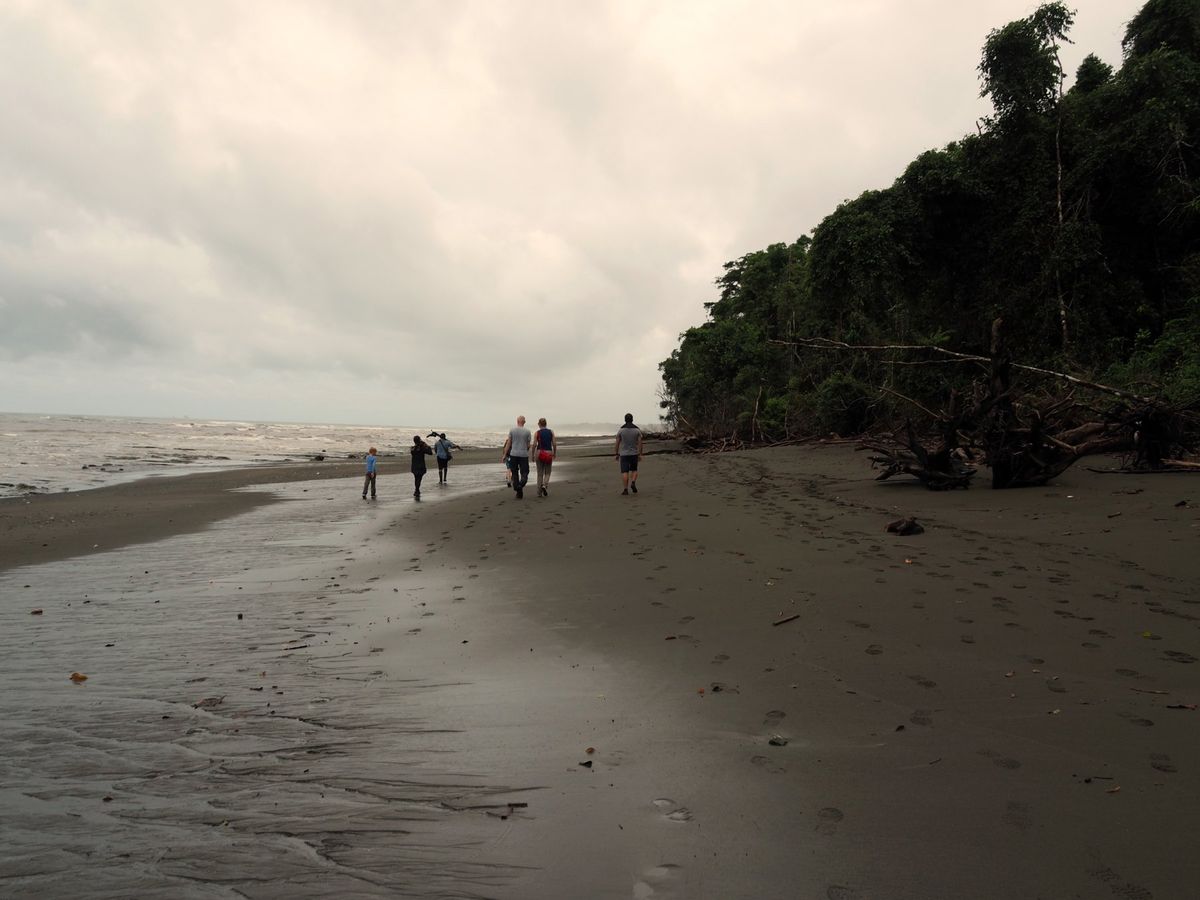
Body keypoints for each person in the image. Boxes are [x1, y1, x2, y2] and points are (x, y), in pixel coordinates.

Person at [501, 415, 532, 499]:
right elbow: (528, 445)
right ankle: (520, 486)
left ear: (517, 421)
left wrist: (504, 455)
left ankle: (517, 487)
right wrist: (526, 449)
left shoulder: (512, 430)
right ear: (524, 422)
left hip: (513, 454)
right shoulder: (528, 431)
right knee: (524, 472)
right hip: (523, 455)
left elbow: (508, 443)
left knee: (514, 472)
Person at [615, 413, 643, 495]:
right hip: (634, 454)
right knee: (634, 470)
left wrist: (616, 453)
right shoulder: (637, 430)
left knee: (625, 472)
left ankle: (625, 489)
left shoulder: (621, 430)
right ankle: (633, 482)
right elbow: (640, 443)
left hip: (624, 454)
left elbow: (617, 443)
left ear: (625, 420)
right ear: (632, 419)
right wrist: (640, 453)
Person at [532, 417, 556, 497]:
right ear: (546, 424)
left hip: (539, 452)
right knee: (548, 472)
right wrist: (554, 453)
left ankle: (539, 493)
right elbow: (554, 443)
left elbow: (535, 444)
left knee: (540, 473)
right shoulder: (551, 432)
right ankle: (544, 485)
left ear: (539, 424)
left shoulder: (537, 433)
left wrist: (532, 454)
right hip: (548, 452)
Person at [410, 435, 433, 499]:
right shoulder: (422, 448)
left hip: (414, 465)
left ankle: (417, 490)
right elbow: (430, 452)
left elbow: (413, 451)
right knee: (419, 479)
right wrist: (425, 444)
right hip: (421, 465)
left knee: (416, 478)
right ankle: (417, 490)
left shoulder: (412, 448)